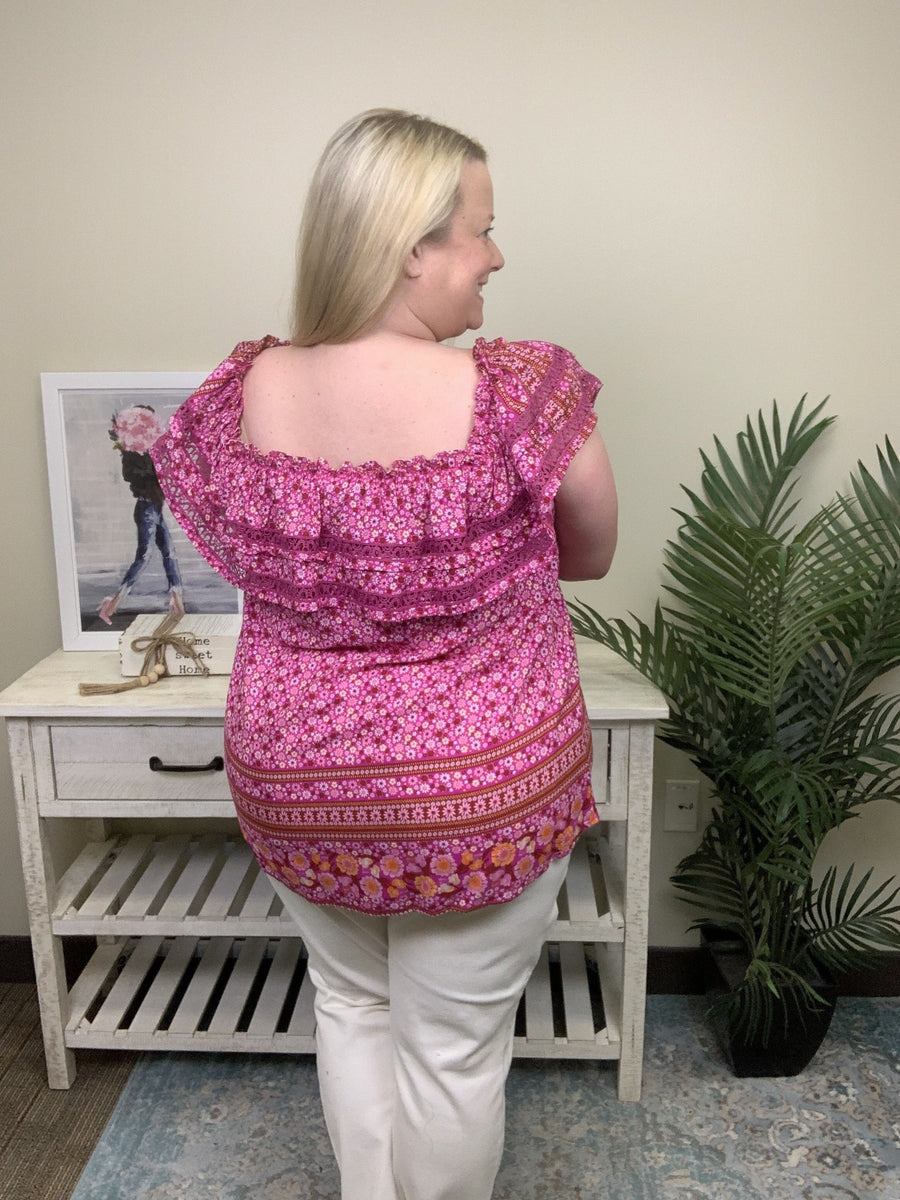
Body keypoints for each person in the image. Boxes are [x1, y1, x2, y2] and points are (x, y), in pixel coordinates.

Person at [151, 108, 617, 1200]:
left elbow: (232, 545)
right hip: (474, 790)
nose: (495, 256)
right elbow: (590, 555)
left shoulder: (243, 393)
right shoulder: (519, 394)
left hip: (297, 781)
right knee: (452, 1052)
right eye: (481, 231)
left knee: (353, 1006)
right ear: (412, 247)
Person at [99, 404, 184, 624]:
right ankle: (112, 605)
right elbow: (134, 477)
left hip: (155, 507)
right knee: (144, 556)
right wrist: (156, 465)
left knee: (169, 553)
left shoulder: (152, 453)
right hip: (146, 508)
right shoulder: (131, 457)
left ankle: (177, 602)